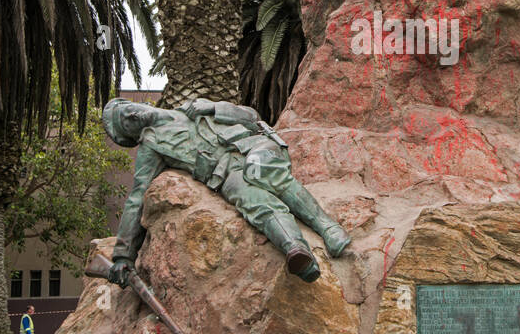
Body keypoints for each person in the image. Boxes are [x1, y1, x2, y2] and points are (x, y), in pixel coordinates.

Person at [101, 97, 350, 284]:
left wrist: (212, 107)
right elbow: (136, 199)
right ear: (132, 135)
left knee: (261, 170)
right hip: (226, 173)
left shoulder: (191, 106)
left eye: (127, 109)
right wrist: (123, 256)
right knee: (254, 201)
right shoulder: (151, 148)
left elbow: (251, 116)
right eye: (125, 121)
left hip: (254, 147)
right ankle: (297, 252)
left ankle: (329, 229)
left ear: (138, 103)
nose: (131, 115)